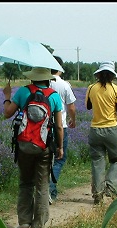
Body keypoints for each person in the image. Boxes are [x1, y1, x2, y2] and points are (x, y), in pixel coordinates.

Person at [3, 66, 64, 228]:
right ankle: (38, 227)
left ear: (32, 78)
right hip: (44, 146)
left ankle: (23, 220)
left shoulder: (23, 92)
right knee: (42, 185)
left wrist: (7, 97)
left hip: (24, 145)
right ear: (48, 79)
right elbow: (59, 126)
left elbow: (7, 113)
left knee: (25, 182)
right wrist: (60, 147)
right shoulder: (54, 96)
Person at [85, 61, 117, 205]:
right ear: (112, 75)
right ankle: (110, 189)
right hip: (112, 129)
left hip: (95, 130)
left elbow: (87, 105)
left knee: (97, 162)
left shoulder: (91, 87)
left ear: (98, 74)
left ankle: (97, 193)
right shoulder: (116, 90)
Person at [48, 56, 77, 204]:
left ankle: (42, 189)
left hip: (42, 127)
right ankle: (50, 189)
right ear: (60, 68)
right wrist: (73, 119)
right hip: (60, 126)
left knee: (45, 159)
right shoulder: (64, 85)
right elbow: (71, 106)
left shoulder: (42, 82)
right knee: (60, 159)